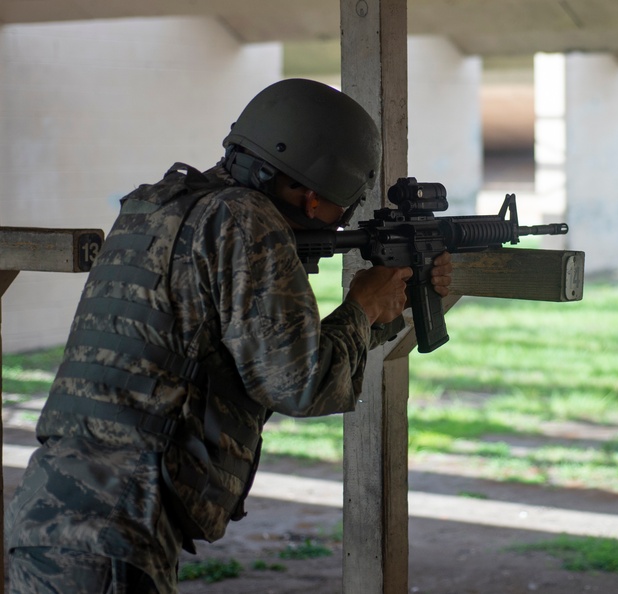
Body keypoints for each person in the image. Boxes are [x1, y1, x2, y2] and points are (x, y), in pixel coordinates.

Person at [5, 78, 452, 593]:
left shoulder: (160, 205)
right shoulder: (245, 218)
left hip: (60, 504)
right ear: (312, 197)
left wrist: (377, 311)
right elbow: (299, 384)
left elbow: (250, 350)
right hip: (116, 524)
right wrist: (363, 306)